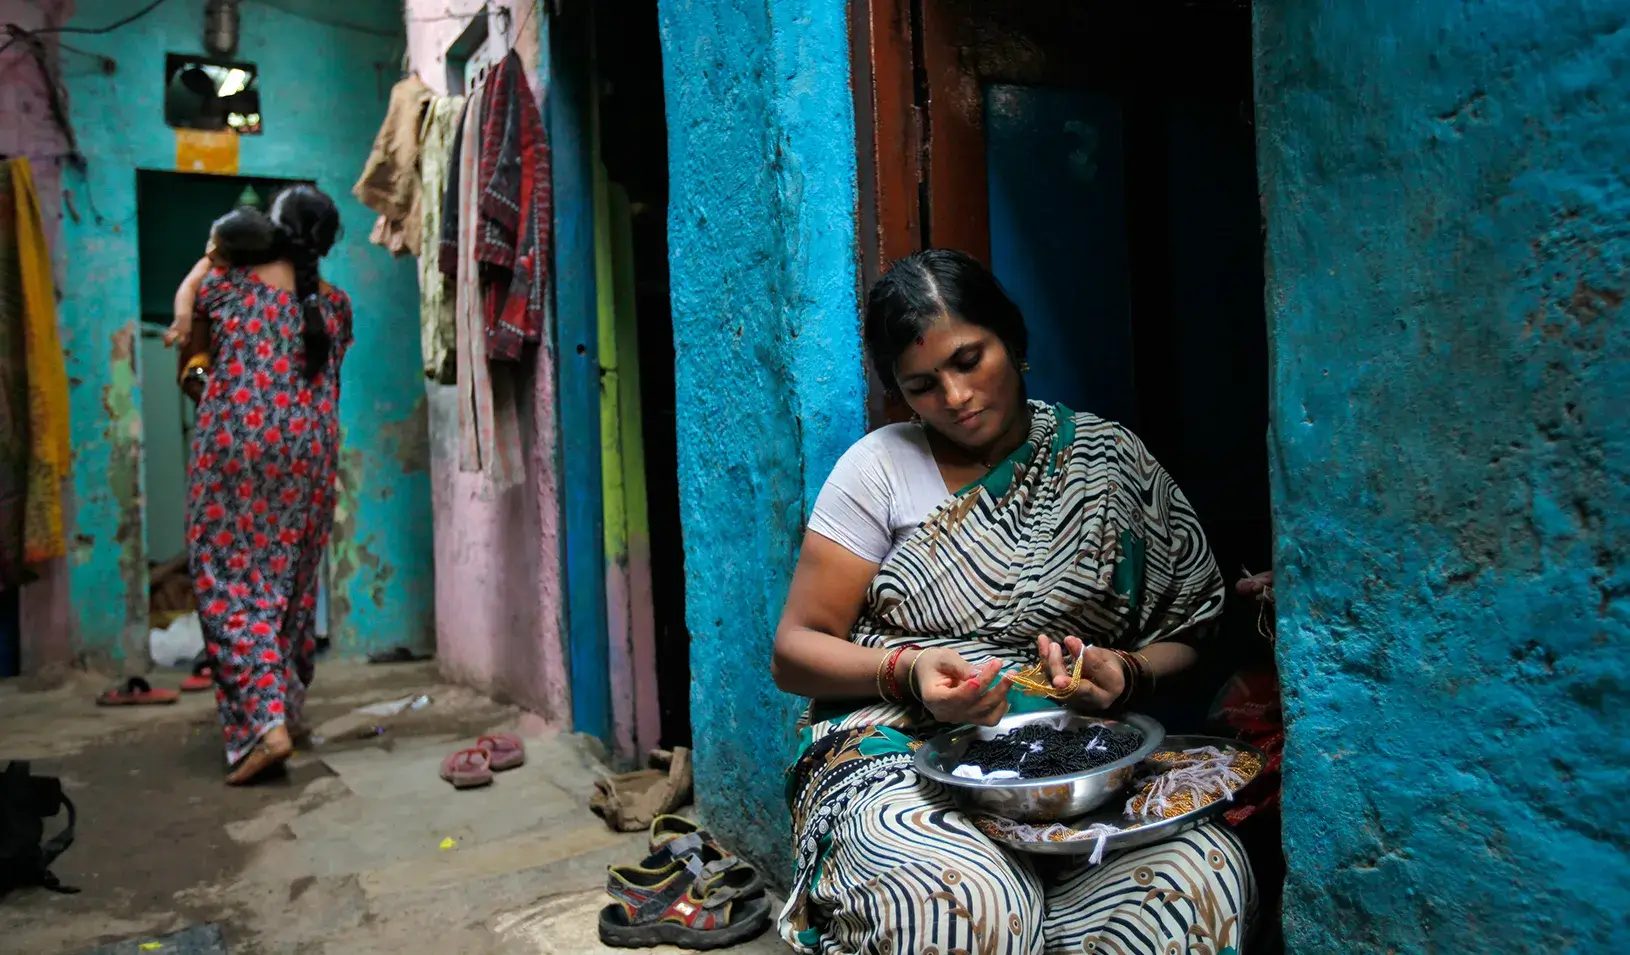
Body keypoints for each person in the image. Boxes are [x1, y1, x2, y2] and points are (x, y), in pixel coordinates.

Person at [772, 250, 1251, 954]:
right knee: (964, 900)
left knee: (1199, 878)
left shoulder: (1107, 460)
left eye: (970, 359)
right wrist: (908, 672)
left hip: (1073, 759)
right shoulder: (878, 470)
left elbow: (1198, 626)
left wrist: (1128, 672)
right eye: (924, 385)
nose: (956, 396)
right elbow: (795, 649)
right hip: (900, 753)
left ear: (1013, 340)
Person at [166, 186, 353, 785]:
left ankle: (263, 729)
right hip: (311, 457)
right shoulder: (337, 308)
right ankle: (288, 711)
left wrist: (210, 259)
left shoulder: (225, 289)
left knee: (230, 582)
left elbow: (190, 365)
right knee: (292, 586)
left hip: (236, 452)